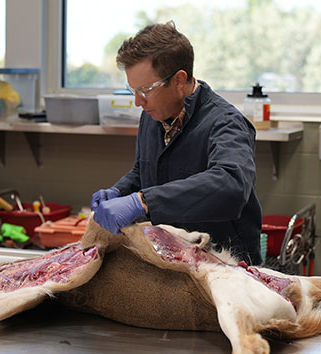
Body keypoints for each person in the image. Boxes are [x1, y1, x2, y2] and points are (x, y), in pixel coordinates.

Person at [90, 21, 262, 264]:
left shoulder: (226, 122)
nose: (138, 102)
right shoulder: (152, 116)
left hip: (225, 266)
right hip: (174, 261)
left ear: (179, 80)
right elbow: (145, 170)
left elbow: (231, 186)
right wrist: (120, 191)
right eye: (133, 90)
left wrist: (141, 202)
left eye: (146, 90)